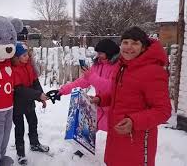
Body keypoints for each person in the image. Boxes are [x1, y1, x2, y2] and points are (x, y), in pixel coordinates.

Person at [92, 27, 172, 166]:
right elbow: (119, 93)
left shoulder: (153, 71)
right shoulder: (122, 66)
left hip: (137, 140)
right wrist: (101, 99)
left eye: (135, 43)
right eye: (125, 42)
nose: (129, 47)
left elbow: (163, 110)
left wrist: (134, 122)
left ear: (143, 47)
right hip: (116, 135)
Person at [50, 39, 120, 131]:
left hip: (114, 111)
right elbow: (82, 81)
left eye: (101, 53)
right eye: (97, 53)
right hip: (99, 108)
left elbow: (111, 87)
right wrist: (62, 91)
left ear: (109, 53)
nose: (98, 55)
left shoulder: (118, 66)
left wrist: (91, 77)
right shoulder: (97, 65)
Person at [11, 42, 49, 165]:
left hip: (29, 103)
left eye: (27, 54)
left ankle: (34, 144)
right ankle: (20, 153)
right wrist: (37, 95)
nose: (27, 57)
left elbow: (35, 82)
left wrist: (41, 96)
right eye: (23, 55)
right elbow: (20, 89)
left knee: (33, 123)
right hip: (17, 104)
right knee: (20, 128)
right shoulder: (13, 70)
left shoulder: (29, 66)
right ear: (16, 57)